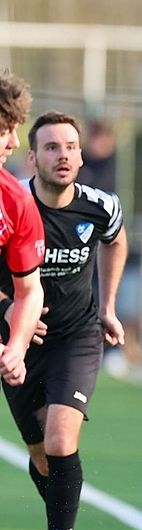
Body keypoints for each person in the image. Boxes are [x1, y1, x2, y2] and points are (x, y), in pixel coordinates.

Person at [0, 112, 126, 530]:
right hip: (17, 343)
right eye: (52, 147)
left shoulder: (100, 205)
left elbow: (116, 237)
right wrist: (7, 313)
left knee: (59, 439)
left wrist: (108, 304)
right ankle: (59, 519)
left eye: (71, 147)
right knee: (40, 453)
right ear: (32, 157)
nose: (64, 155)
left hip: (77, 337)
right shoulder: (11, 203)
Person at [0, 70, 45, 390]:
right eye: (5, 130)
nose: (15, 143)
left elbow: (30, 290)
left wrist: (16, 348)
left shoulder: (16, 200)